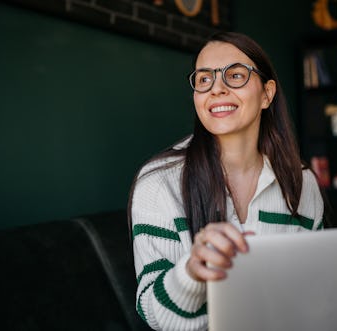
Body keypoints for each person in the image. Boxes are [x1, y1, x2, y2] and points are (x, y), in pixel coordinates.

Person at [128, 31, 324, 331]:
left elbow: (315, 289)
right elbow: (154, 314)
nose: (216, 89)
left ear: (267, 94)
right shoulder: (158, 184)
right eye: (204, 79)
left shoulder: (302, 182)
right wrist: (192, 273)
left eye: (235, 75)